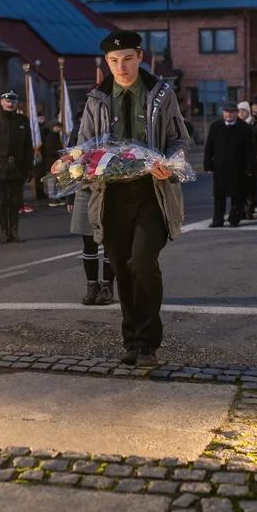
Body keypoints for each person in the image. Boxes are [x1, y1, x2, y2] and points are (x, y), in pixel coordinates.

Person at [79, 30, 189, 367]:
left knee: (142, 262)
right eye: (113, 60)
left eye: (127, 58)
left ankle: (148, 343)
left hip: (152, 194)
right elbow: (84, 146)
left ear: (140, 56)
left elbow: (180, 141)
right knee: (122, 270)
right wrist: (73, 165)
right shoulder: (96, 98)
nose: (120, 66)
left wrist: (170, 167)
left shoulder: (160, 95)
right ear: (106, 63)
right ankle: (131, 342)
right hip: (111, 197)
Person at [66, 118, 115, 306]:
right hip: (85, 190)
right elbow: (71, 162)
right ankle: (92, 286)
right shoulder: (79, 129)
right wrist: (70, 196)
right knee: (88, 241)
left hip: (110, 190)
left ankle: (107, 287)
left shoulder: (114, 126)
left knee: (110, 241)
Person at [0, 90, 33, 244]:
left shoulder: (23, 121)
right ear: (1, 102)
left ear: (16, 103)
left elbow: (28, 147)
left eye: (13, 101)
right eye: (7, 101)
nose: (10, 103)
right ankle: (4, 231)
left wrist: (29, 168)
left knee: (16, 201)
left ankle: (15, 231)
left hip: (17, 167)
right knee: (1, 202)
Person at [203, 101, 253, 228]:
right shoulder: (216, 126)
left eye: (232, 112)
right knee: (219, 194)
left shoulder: (245, 128)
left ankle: (234, 219)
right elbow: (209, 146)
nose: (229, 115)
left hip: (238, 167)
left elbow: (250, 149)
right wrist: (208, 164)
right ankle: (217, 219)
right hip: (220, 166)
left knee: (237, 195)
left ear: (236, 113)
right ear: (223, 113)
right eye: (227, 112)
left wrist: (249, 168)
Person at [239, 101, 257, 220]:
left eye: (243, 111)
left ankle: (249, 209)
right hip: (240, 161)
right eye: (239, 111)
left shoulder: (255, 124)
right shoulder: (237, 125)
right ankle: (242, 210)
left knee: (251, 187)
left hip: (254, 160)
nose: (240, 113)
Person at [43, 120, 66, 207]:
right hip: (51, 161)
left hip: (57, 161)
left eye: (59, 127)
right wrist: (59, 151)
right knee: (51, 180)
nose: (59, 129)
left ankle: (57, 196)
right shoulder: (50, 137)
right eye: (57, 127)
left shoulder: (57, 137)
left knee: (57, 180)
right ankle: (51, 196)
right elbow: (49, 150)